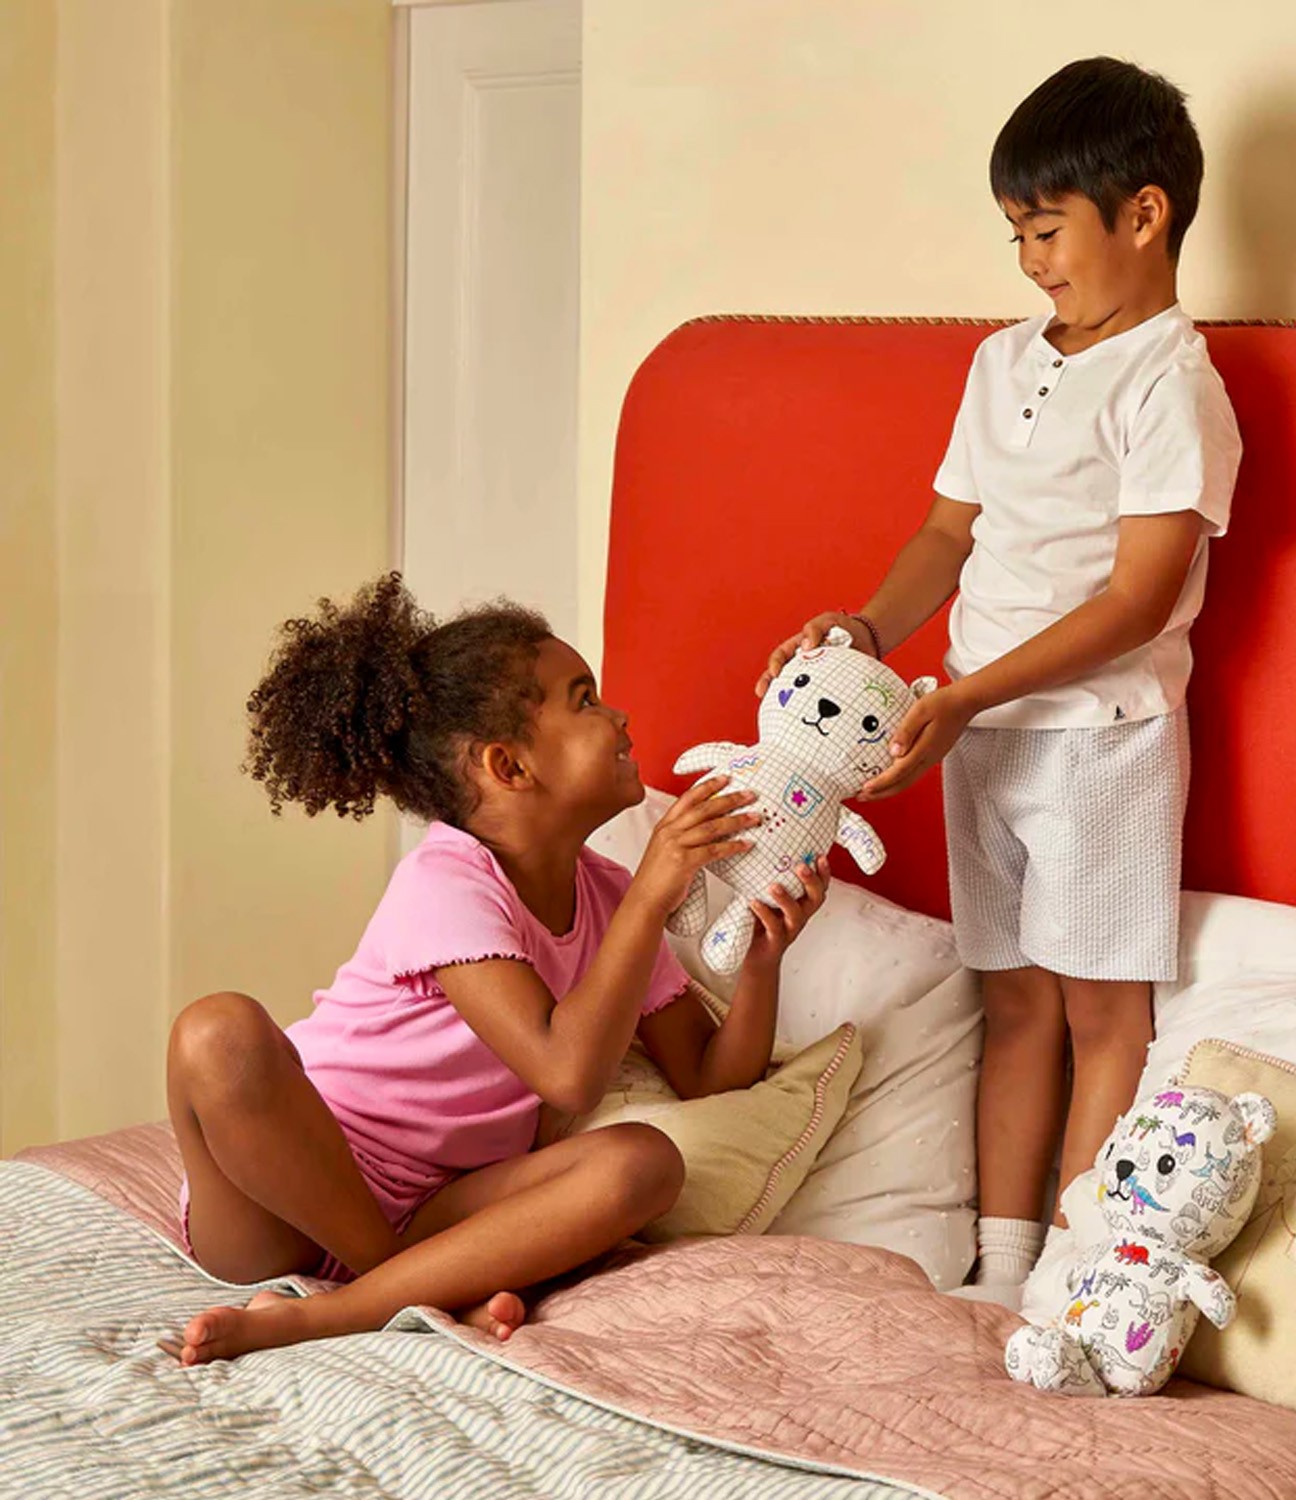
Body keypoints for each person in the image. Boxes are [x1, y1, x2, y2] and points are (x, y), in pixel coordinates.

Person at [756, 58, 1241, 1309]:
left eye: (1045, 231)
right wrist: (869, 629)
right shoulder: (998, 362)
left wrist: (966, 697)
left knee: (1101, 1016)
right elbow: (945, 536)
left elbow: (1136, 602)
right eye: (1014, 235)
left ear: (1144, 215)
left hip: (1099, 740)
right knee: (1014, 1003)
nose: (1028, 262)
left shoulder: (1173, 385)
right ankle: (1002, 1271)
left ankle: (1073, 1284)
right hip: (976, 730)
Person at [162, 572, 828, 1364]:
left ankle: (393, 1288)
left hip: (443, 1211)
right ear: (508, 767)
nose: (617, 717)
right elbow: (565, 1073)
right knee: (216, 1032)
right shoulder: (447, 879)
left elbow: (710, 1078)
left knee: (645, 1164)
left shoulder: (611, 899)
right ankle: (374, 1299)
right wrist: (654, 892)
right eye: (585, 700)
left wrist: (761, 963)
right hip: (286, 1201)